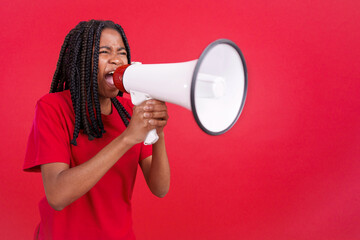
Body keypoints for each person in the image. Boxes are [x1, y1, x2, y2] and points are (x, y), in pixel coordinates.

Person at [23, 20, 170, 240]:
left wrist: (158, 132)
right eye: (104, 51)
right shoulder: (52, 108)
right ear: (82, 61)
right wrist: (127, 138)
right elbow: (57, 194)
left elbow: (160, 188)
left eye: (121, 52)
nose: (116, 59)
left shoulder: (131, 112)